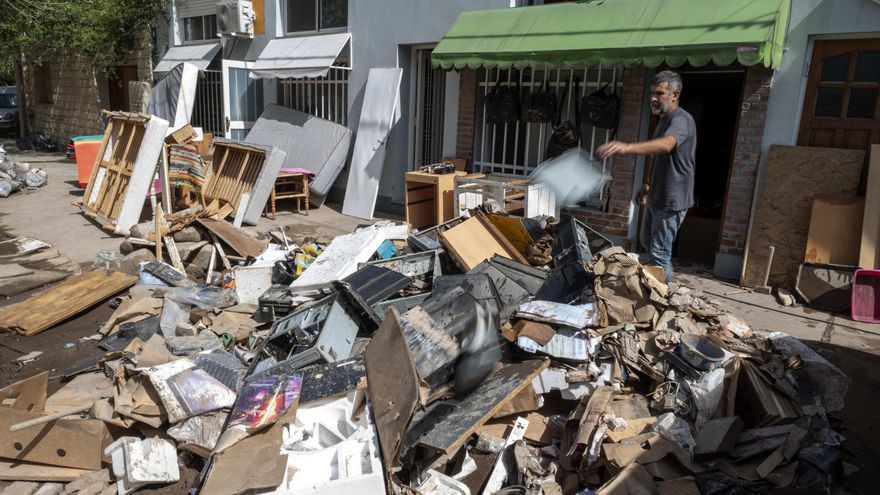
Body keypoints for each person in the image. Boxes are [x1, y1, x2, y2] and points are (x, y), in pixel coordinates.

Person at [596, 70, 696, 283]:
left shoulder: (681, 120)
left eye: (659, 93)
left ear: (675, 95)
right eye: (652, 92)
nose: (653, 98)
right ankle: (656, 294)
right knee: (648, 247)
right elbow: (660, 157)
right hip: (657, 195)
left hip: (671, 199)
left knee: (659, 255)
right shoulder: (663, 119)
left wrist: (626, 147)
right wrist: (648, 184)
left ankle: (666, 298)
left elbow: (667, 144)